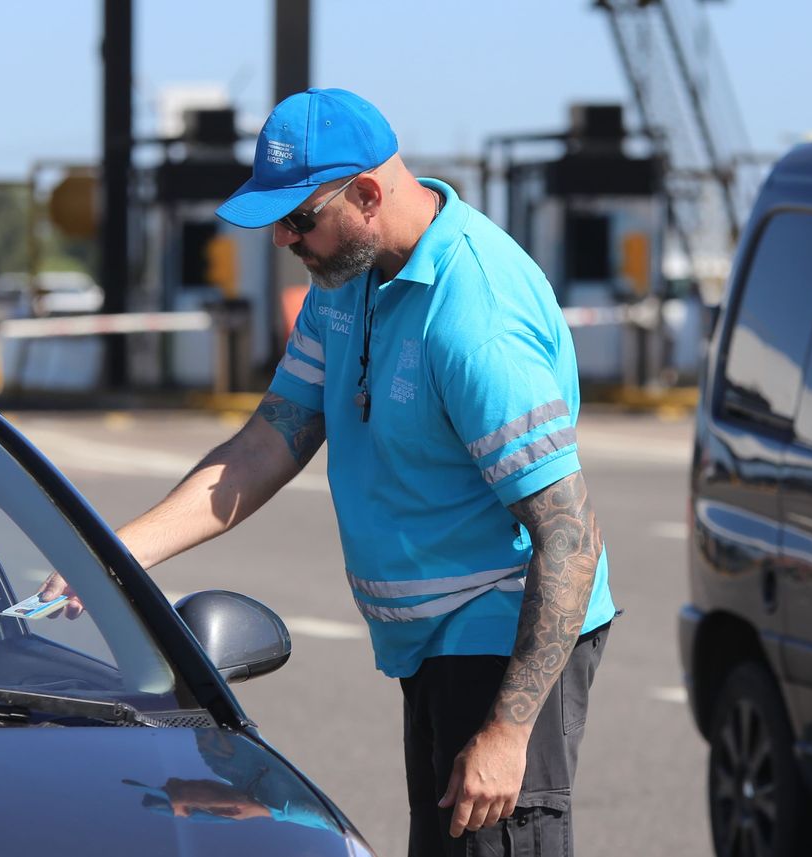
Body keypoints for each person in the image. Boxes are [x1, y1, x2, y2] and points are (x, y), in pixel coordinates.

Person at [42, 87, 616, 855]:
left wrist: (510, 730)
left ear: (369, 195)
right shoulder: (347, 285)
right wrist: (115, 556)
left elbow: (570, 536)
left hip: (503, 634)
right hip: (437, 645)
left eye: (298, 218)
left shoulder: (473, 315)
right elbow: (265, 445)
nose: (282, 238)